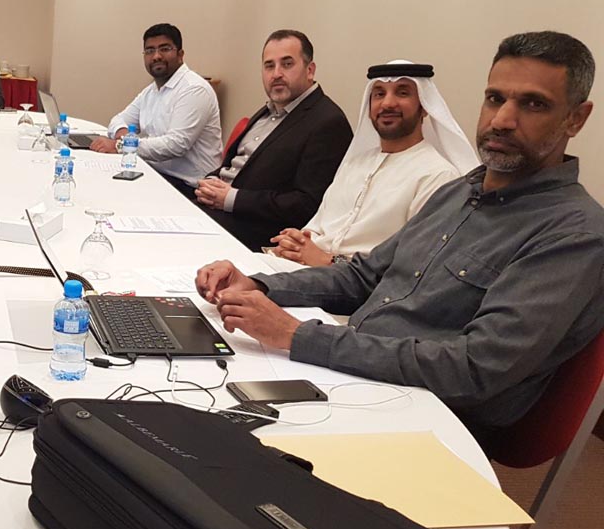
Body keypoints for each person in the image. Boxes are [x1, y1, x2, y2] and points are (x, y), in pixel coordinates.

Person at [196, 31, 604, 439]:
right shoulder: (458, 193)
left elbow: (474, 368)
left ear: (576, 118)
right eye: (495, 99)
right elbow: (363, 276)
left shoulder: (573, 233)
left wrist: (297, 335)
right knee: (194, 383)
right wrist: (259, 286)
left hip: (427, 416)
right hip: (356, 368)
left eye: (533, 104)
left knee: (212, 439)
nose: (502, 120)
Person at [269, 61, 478, 266]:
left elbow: (412, 266)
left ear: (424, 106)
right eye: (379, 94)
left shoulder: (437, 176)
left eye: (402, 93)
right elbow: (317, 227)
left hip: (356, 285)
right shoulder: (354, 164)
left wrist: (329, 261)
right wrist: (294, 244)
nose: (387, 104)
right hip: (303, 271)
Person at [194, 29, 352, 251]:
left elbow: (307, 205)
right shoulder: (270, 110)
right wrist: (210, 182)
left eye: (287, 64)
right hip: (215, 209)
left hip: (254, 232)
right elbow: (235, 165)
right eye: (269, 66)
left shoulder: (328, 122)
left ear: (310, 70)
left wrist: (231, 199)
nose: (276, 74)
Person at [87, 23, 222, 196]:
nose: (156, 56)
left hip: (191, 187)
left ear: (180, 54)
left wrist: (120, 146)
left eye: (164, 49)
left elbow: (176, 145)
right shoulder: (152, 91)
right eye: (150, 50)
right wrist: (123, 136)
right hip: (157, 173)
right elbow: (118, 120)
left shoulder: (194, 89)